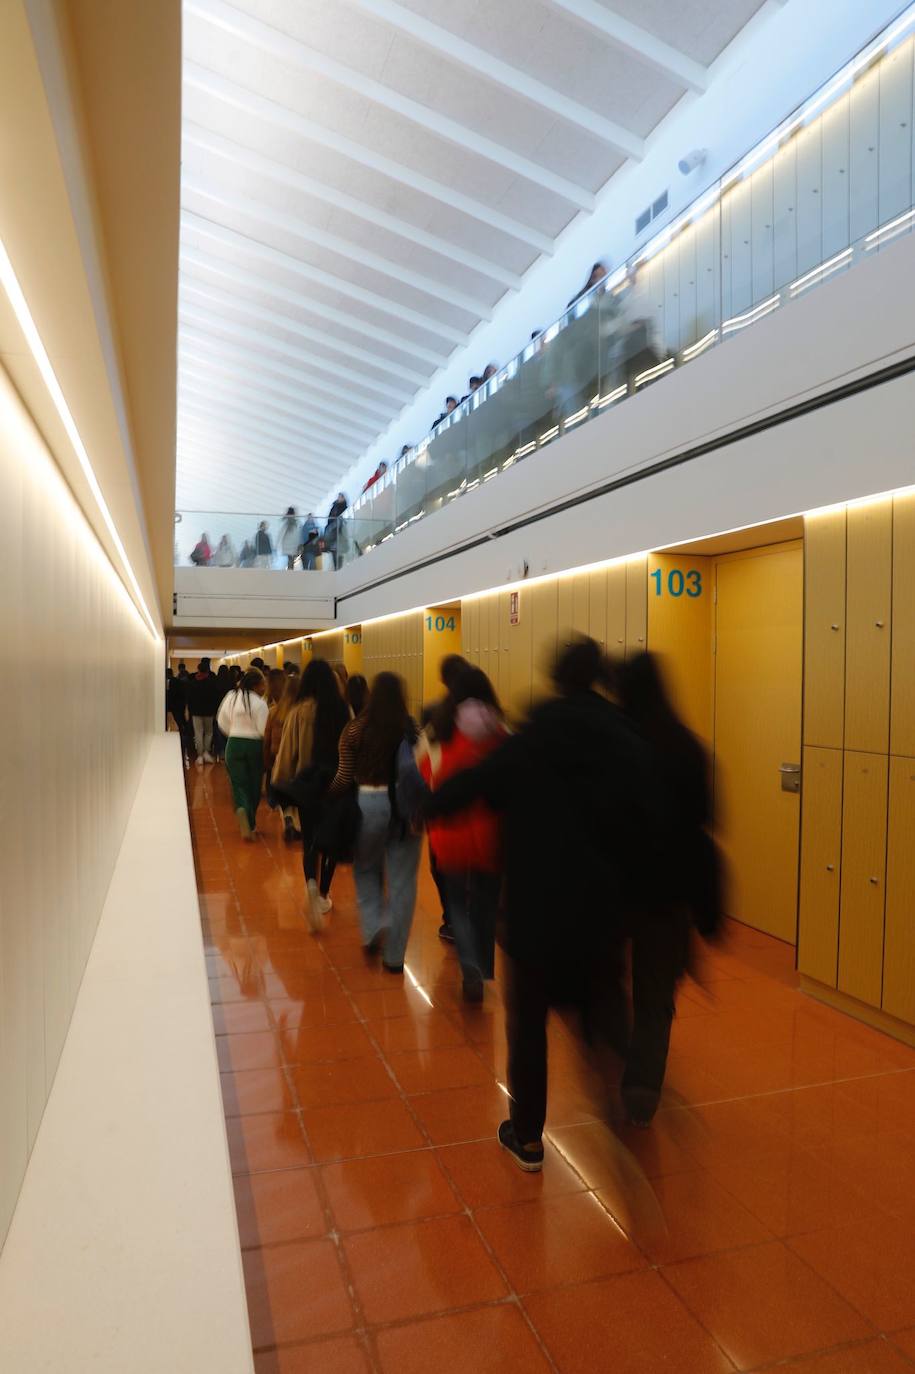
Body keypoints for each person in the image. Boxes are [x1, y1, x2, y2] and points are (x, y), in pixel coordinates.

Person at [421, 638, 659, 1171]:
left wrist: (431, 806)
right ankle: (623, 1106)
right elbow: (648, 823)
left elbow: (479, 784)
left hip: (535, 912)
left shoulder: (535, 734)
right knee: (601, 1013)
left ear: (557, 676)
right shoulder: (626, 738)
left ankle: (527, 1137)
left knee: (529, 1030)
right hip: (601, 911)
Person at [618, 652, 721, 1125]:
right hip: (669, 897)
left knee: (612, 979)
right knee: (657, 996)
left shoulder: (620, 743)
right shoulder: (689, 747)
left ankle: (613, 1057)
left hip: (619, 891)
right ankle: (641, 1091)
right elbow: (707, 820)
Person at [420, 667, 507, 1002]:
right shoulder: (498, 730)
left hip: (448, 830)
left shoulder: (437, 730)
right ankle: (481, 968)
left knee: (456, 901)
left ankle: (468, 963)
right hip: (490, 832)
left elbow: (424, 774)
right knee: (485, 904)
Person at [327, 672, 422, 973]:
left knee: (366, 869)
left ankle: (373, 927)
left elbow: (343, 777)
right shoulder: (410, 728)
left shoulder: (354, 729)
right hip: (405, 808)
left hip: (367, 803)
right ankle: (394, 958)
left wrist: (325, 796)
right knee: (403, 882)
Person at [272, 659, 350, 930]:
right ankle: (325, 895)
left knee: (311, 842)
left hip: (308, 786)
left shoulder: (298, 711)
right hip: (337, 786)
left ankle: (311, 885)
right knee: (332, 841)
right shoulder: (342, 709)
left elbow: (287, 752)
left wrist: (278, 783)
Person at [421, 653, 472, 942]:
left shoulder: (434, 713)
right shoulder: (489, 714)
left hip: (441, 801)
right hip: (476, 803)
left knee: (441, 863)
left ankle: (452, 918)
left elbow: (420, 759)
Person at [217, 667, 269, 841]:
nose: (265, 687)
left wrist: (232, 732)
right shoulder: (260, 703)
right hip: (254, 745)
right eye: (263, 684)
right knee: (254, 786)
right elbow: (263, 730)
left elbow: (221, 720)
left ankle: (241, 808)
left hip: (233, 744)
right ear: (256, 685)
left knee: (238, 784)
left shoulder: (231, 697)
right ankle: (251, 824)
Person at [264, 672, 300, 842]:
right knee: (297, 794)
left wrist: (267, 761)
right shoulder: (301, 713)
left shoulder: (274, 712)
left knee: (283, 793)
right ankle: (297, 823)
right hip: (298, 759)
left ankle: (287, 820)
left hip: (278, 757)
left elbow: (267, 738)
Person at [185, 657, 222, 764]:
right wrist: (215, 711)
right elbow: (216, 699)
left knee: (198, 733)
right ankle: (206, 752)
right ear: (207, 670)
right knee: (209, 732)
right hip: (209, 712)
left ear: (198, 670)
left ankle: (200, 755)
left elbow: (189, 698)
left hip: (196, 712)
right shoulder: (212, 683)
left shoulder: (192, 683)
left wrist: (188, 710)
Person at [211, 663, 233, 761]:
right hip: (229, 709)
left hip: (216, 708)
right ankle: (228, 750)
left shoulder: (215, 682)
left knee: (217, 730)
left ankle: (220, 751)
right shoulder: (231, 682)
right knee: (228, 729)